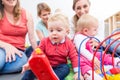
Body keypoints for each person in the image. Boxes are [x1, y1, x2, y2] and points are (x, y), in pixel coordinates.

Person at [22, 13, 84, 80]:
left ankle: (51, 78)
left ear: (67, 32)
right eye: (51, 30)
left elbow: (74, 57)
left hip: (59, 66)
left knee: (66, 68)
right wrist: (29, 63)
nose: (54, 33)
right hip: (45, 65)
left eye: (58, 30)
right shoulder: (44, 41)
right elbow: (36, 52)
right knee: (30, 70)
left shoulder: (69, 43)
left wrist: (78, 72)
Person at [73, 14, 120, 80]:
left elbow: (97, 38)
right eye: (95, 30)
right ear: (85, 31)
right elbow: (81, 50)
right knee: (83, 66)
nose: (96, 31)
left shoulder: (87, 35)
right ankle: (91, 75)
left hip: (92, 55)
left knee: (101, 55)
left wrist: (103, 42)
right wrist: (92, 58)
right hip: (82, 59)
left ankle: (116, 61)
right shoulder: (78, 37)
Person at [0, 0, 37, 74]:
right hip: (1, 47)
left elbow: (32, 38)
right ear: (2, 1)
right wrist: (7, 46)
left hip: (17, 52)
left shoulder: (27, 14)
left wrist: (39, 53)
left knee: (23, 61)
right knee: (1, 56)